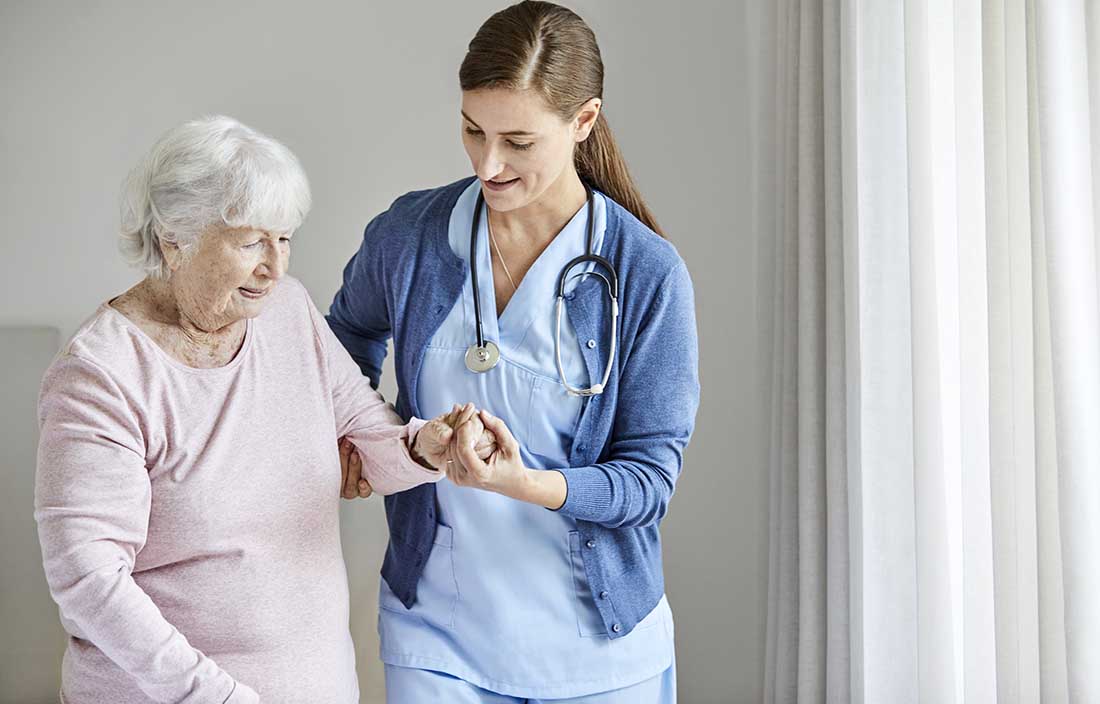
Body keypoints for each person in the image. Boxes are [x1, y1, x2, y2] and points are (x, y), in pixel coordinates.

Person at [34, 116, 489, 703]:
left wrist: (427, 445)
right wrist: (216, 696)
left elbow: (365, 438)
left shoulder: (288, 312)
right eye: (252, 242)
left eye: (285, 238)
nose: (276, 267)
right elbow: (89, 582)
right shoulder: (101, 375)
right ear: (176, 240)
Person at [328, 2, 700, 701]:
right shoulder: (409, 236)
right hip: (437, 635)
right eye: (473, 129)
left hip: (598, 652)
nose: (488, 163)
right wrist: (378, 444)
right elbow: (336, 351)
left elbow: (649, 481)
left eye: (519, 142)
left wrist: (520, 483)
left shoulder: (646, 274)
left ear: (583, 122)